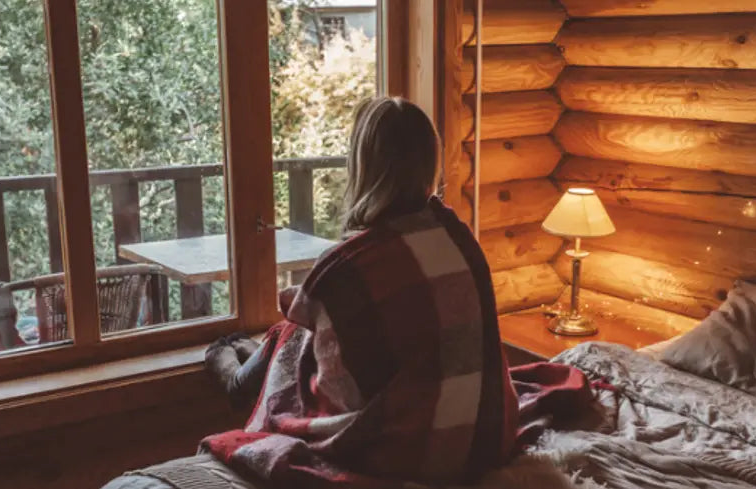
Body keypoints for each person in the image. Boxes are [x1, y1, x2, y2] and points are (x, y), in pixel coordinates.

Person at [101, 97, 519, 489]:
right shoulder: (458, 240)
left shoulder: (348, 267)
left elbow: (338, 394)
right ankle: (242, 357)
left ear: (363, 166)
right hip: (482, 440)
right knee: (307, 322)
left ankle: (235, 373)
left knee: (292, 333)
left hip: (409, 454)